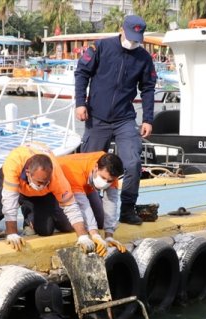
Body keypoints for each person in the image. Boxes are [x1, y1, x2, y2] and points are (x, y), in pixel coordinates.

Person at [74, 15, 157, 226]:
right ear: (121, 29)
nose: (133, 41)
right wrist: (80, 103)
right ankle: (84, 208)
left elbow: (147, 88)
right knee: (87, 165)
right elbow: (82, 73)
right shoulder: (100, 47)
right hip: (97, 117)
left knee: (133, 162)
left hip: (124, 119)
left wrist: (148, 119)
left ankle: (127, 209)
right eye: (131, 36)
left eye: (137, 38)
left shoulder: (144, 58)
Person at [0, 143, 97, 253]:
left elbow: (71, 206)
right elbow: (9, 201)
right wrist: (12, 233)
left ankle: (29, 215)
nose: (43, 185)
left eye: (46, 182)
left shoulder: (56, 177)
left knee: (46, 230)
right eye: (40, 183)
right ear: (28, 173)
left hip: (37, 195)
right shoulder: (14, 162)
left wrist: (83, 236)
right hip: (14, 185)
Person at [57, 151, 127, 254]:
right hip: (64, 186)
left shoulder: (112, 170)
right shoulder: (74, 170)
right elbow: (83, 204)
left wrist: (109, 236)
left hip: (87, 186)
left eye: (109, 181)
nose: (105, 183)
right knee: (68, 225)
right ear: (96, 167)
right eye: (103, 178)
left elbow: (111, 201)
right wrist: (95, 235)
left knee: (100, 221)